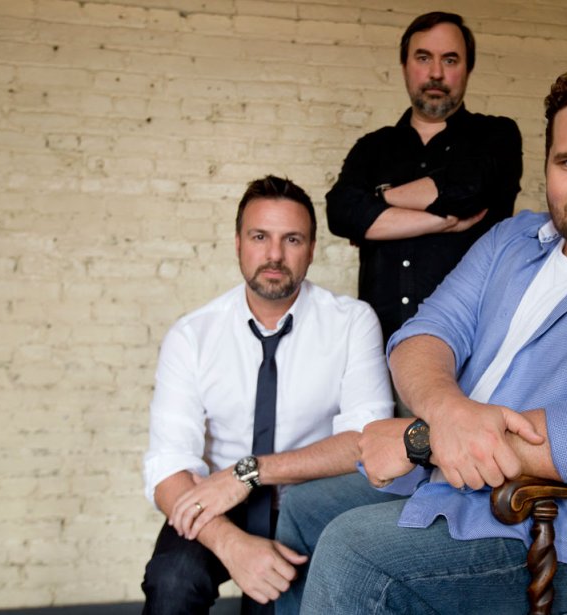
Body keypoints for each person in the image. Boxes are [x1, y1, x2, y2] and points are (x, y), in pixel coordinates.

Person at [276, 64, 567, 613]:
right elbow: (423, 334)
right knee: (304, 510)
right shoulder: (513, 238)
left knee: (353, 552)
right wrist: (447, 411)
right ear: (547, 162)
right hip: (465, 487)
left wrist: (420, 439)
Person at [140, 175, 396, 614]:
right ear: (238, 243)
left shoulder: (352, 323)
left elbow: (366, 440)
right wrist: (230, 543)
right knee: (172, 581)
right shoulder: (192, 335)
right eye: (260, 237)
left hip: (310, 498)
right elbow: (168, 466)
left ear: (311, 249)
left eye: (291, 239)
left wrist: (249, 473)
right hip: (219, 502)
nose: (274, 255)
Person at [325, 11, 523, 344]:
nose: (436, 73)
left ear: (468, 68)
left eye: (450, 60)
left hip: (470, 346)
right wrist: (442, 221)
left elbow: (466, 191)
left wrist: (378, 202)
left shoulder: (496, 136)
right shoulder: (372, 148)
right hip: (380, 347)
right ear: (404, 66)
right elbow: (341, 212)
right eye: (423, 58)